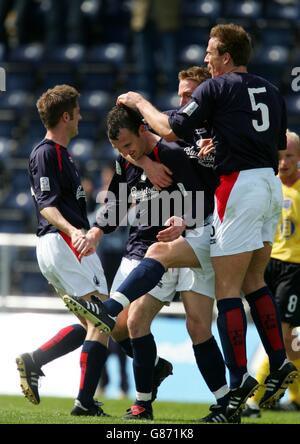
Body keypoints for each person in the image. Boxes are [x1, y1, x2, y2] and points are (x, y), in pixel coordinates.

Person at [67, 23, 298, 420]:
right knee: (250, 283)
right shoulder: (270, 91)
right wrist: (147, 160)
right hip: (266, 187)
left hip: (232, 196)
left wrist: (140, 102)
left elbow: (171, 129)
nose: (206, 58)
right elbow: (277, 148)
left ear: (226, 57)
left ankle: (239, 381)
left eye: (211, 52)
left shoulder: (216, 92)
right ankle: (275, 363)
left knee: (226, 295)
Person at [64, 103, 240, 423]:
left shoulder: (173, 155)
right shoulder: (128, 161)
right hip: (144, 251)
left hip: (178, 246)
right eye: (119, 148)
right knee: (125, 326)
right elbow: (116, 206)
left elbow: (201, 198)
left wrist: (182, 223)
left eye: (129, 145)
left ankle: (211, 402)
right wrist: (95, 232)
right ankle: (149, 390)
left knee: (186, 325)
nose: (125, 152)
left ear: (144, 130)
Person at [16, 85, 171, 415]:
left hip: (61, 244)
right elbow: (45, 206)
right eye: (79, 112)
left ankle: (36, 361)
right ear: (67, 116)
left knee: (95, 320)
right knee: (103, 318)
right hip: (65, 242)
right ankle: (86, 401)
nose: (82, 118)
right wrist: (74, 230)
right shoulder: (47, 153)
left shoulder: (62, 154)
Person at [244, 130, 300, 417]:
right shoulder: (268, 187)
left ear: (299, 158)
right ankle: (295, 396)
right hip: (268, 266)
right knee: (289, 340)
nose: (284, 162)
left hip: (294, 269)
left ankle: (254, 397)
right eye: (280, 156)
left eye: (289, 155)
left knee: (280, 333)